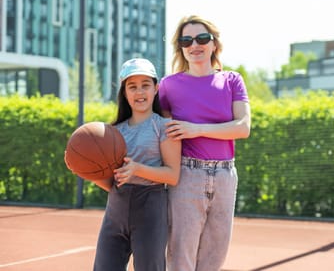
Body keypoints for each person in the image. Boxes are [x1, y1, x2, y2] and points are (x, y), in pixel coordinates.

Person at [159, 15, 251, 271]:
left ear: (214, 44)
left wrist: (195, 129)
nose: (194, 45)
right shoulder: (168, 86)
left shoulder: (232, 80)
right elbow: (161, 133)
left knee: (215, 256)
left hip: (225, 176)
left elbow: (243, 128)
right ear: (181, 47)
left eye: (201, 38)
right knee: (180, 256)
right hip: (187, 175)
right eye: (186, 40)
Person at [92, 58, 181, 271]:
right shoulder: (113, 132)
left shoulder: (164, 126)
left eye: (145, 85)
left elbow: (173, 175)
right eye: (132, 87)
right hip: (116, 209)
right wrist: (89, 171)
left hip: (150, 207)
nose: (139, 92)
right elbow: (112, 182)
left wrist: (137, 169)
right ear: (124, 92)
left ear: (156, 88)